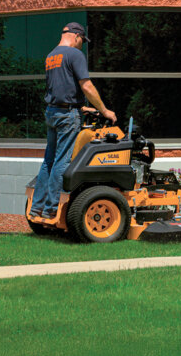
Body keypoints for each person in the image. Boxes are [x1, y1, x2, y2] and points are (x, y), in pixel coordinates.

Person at [30, 22, 117, 219]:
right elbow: (86, 86)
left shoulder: (51, 56)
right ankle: (52, 208)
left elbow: (58, 89)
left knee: (48, 162)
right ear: (76, 36)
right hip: (67, 116)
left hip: (53, 113)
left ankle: (37, 207)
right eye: (82, 42)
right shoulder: (75, 54)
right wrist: (104, 111)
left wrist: (83, 108)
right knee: (62, 161)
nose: (81, 46)